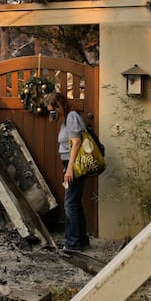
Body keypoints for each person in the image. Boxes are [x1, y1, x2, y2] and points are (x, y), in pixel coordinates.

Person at [44, 91, 90, 252]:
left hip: (75, 165)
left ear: (60, 105)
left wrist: (69, 169)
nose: (52, 113)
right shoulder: (66, 119)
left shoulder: (71, 117)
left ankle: (72, 244)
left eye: (54, 110)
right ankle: (81, 240)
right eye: (50, 111)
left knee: (70, 205)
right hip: (70, 164)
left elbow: (76, 143)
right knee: (75, 203)